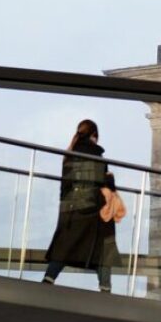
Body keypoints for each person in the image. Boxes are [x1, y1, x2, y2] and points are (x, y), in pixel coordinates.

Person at [43, 120, 118, 292]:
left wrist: (64, 207)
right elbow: (101, 183)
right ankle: (105, 289)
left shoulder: (69, 154)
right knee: (102, 247)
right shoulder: (96, 154)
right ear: (94, 135)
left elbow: (65, 185)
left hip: (72, 207)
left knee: (64, 245)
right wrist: (110, 178)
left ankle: (49, 278)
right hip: (95, 208)